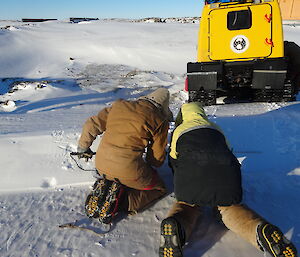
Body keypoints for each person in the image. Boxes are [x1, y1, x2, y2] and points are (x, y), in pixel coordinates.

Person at [159, 101, 297, 257]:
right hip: (227, 175)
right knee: (227, 207)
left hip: (191, 177)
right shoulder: (215, 128)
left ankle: (177, 226)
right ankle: (259, 231)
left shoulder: (179, 131)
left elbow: (173, 161)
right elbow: (229, 152)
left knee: (188, 205)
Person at [77, 88, 173, 223]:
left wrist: (83, 147)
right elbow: (155, 160)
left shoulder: (119, 105)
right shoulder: (160, 120)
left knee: (125, 173)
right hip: (128, 171)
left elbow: (91, 124)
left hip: (101, 165)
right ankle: (123, 202)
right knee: (159, 187)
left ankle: (108, 185)